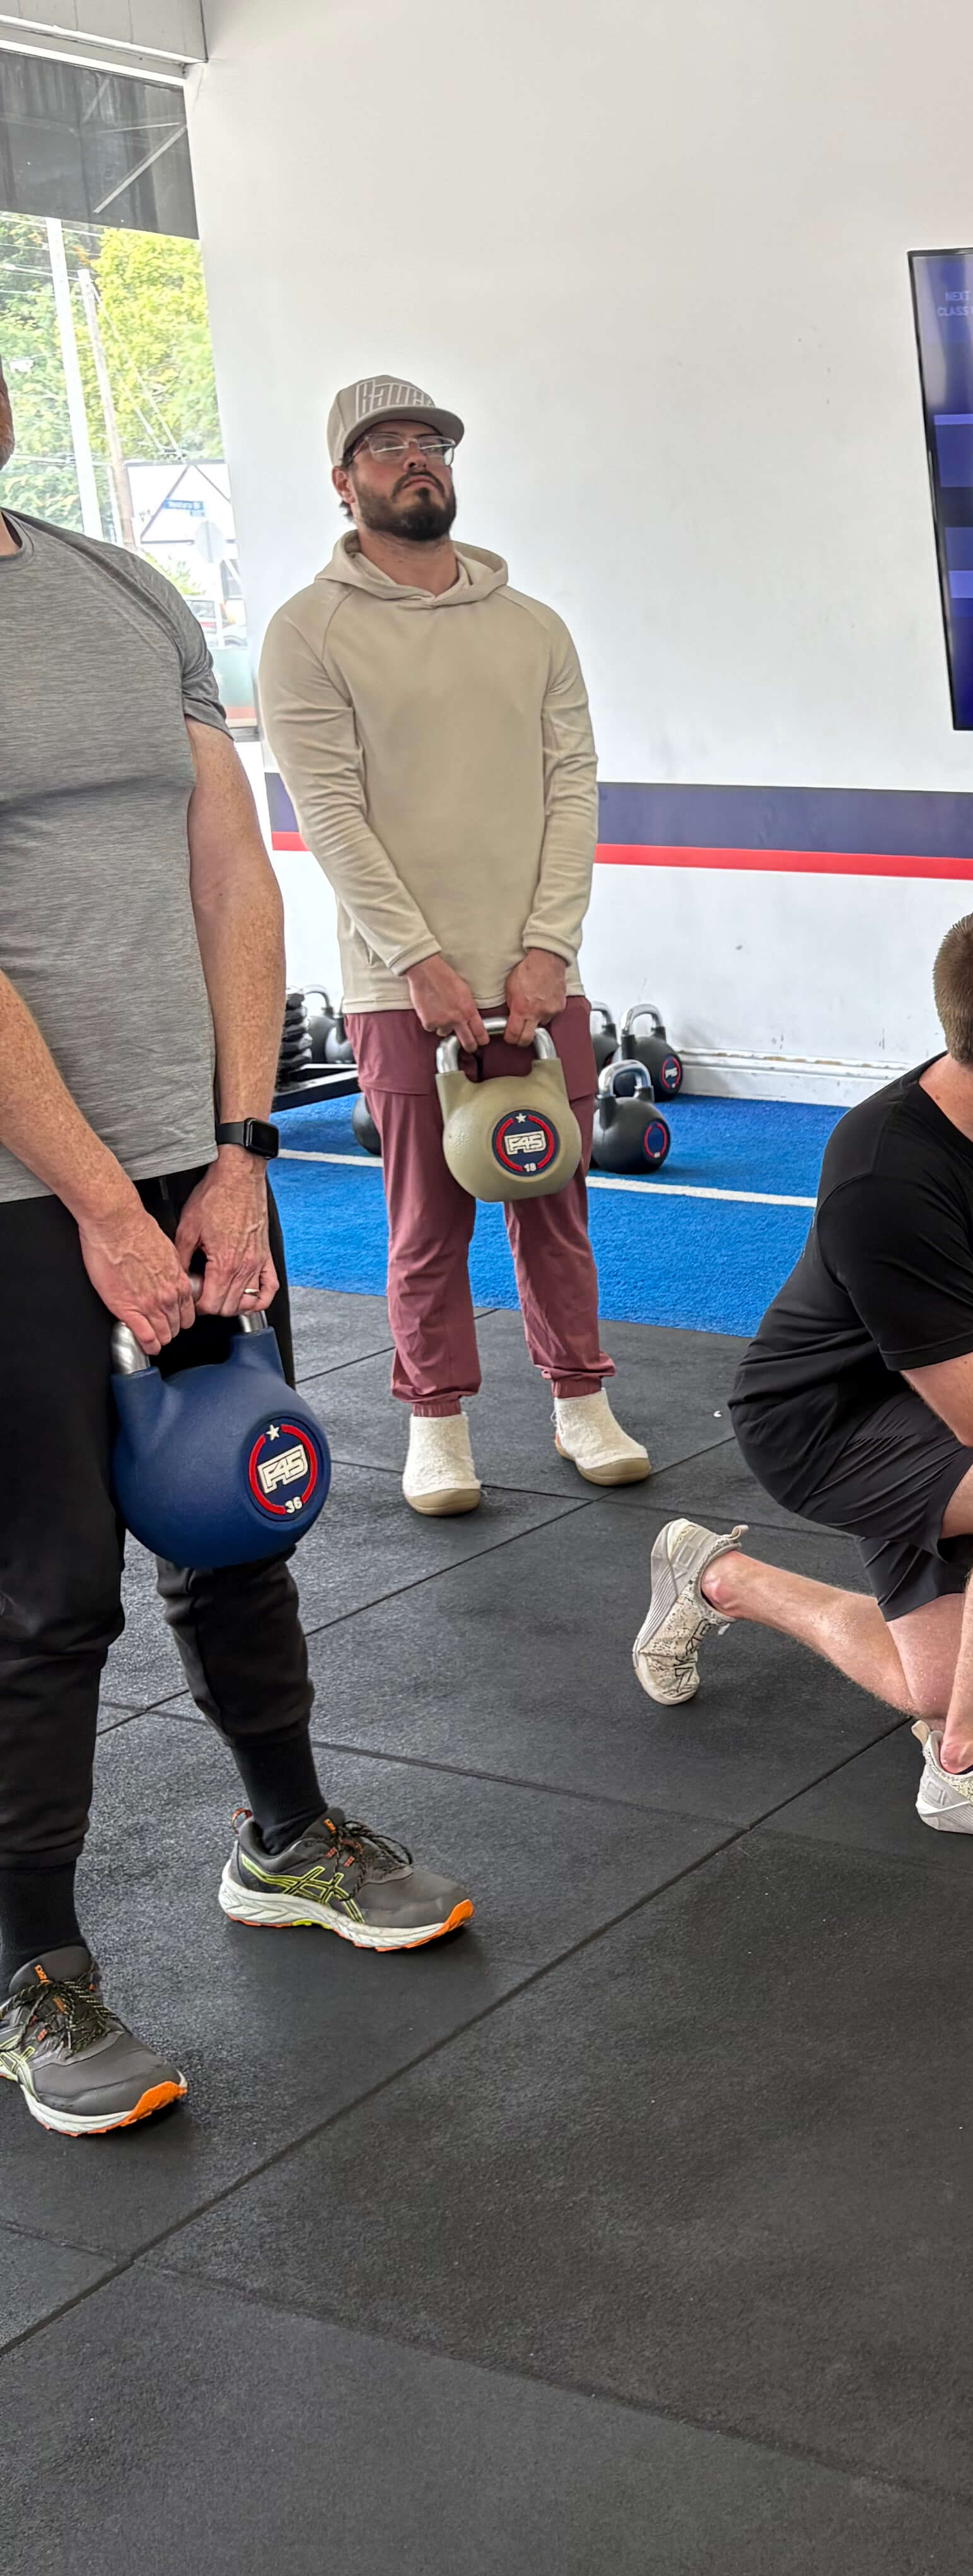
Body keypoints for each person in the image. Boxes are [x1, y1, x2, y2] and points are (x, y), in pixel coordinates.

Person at [0, 368, 473, 2141]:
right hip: (19, 1196)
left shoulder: (120, 590)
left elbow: (232, 869)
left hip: (187, 1159)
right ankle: (34, 1966)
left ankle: (285, 1834)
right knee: (49, 1586)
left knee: (236, 1514)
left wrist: (239, 1149)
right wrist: (104, 1209)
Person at [632, 897, 973, 1856]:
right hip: (822, 1425)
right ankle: (968, 1767)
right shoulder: (883, 1171)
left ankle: (716, 1576)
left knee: (938, 1683)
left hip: (943, 1399)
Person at [258, 375, 648, 1518]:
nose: (416, 459)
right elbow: (330, 814)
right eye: (387, 447)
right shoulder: (307, 632)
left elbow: (571, 791)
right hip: (399, 986)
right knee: (427, 1221)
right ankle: (435, 1422)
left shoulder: (532, 627)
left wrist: (548, 948)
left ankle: (581, 1401)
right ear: (345, 483)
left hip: (537, 973)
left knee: (555, 1202)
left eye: (430, 441)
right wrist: (417, 960)